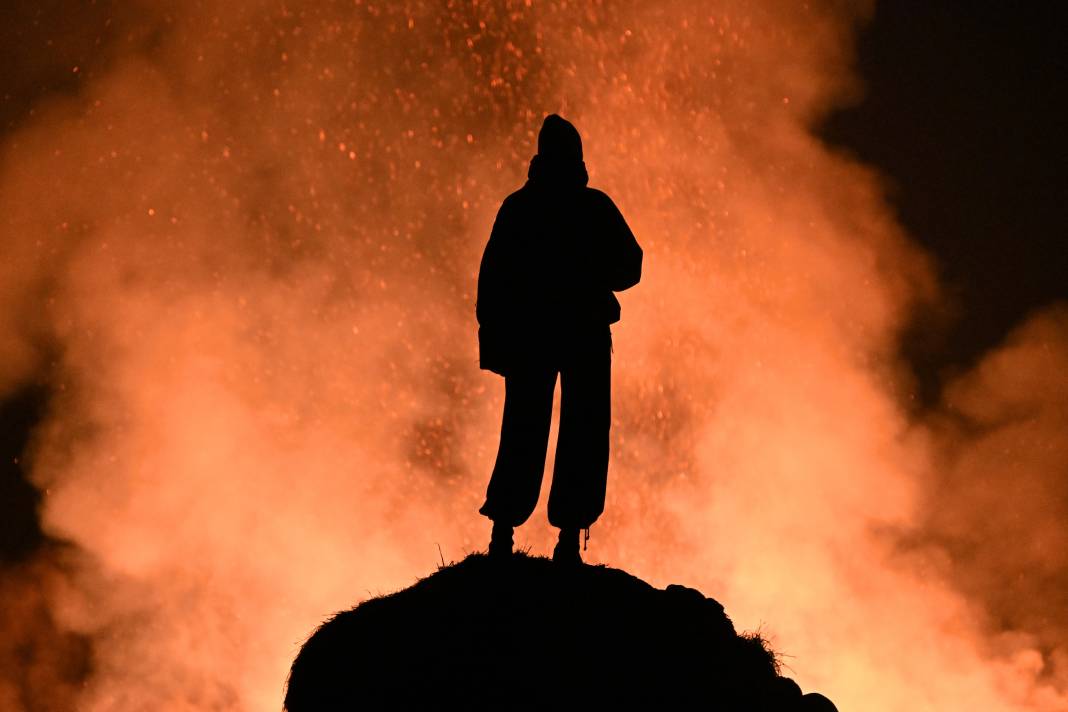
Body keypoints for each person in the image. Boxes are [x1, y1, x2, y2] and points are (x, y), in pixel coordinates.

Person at [476, 114, 642, 564]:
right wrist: (590, 276)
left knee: (525, 428)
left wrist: (494, 339)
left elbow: (492, 280)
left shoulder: (519, 207)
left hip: (533, 337)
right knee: (582, 430)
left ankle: (503, 535)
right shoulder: (593, 207)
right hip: (582, 332)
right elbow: (631, 266)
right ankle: (568, 537)